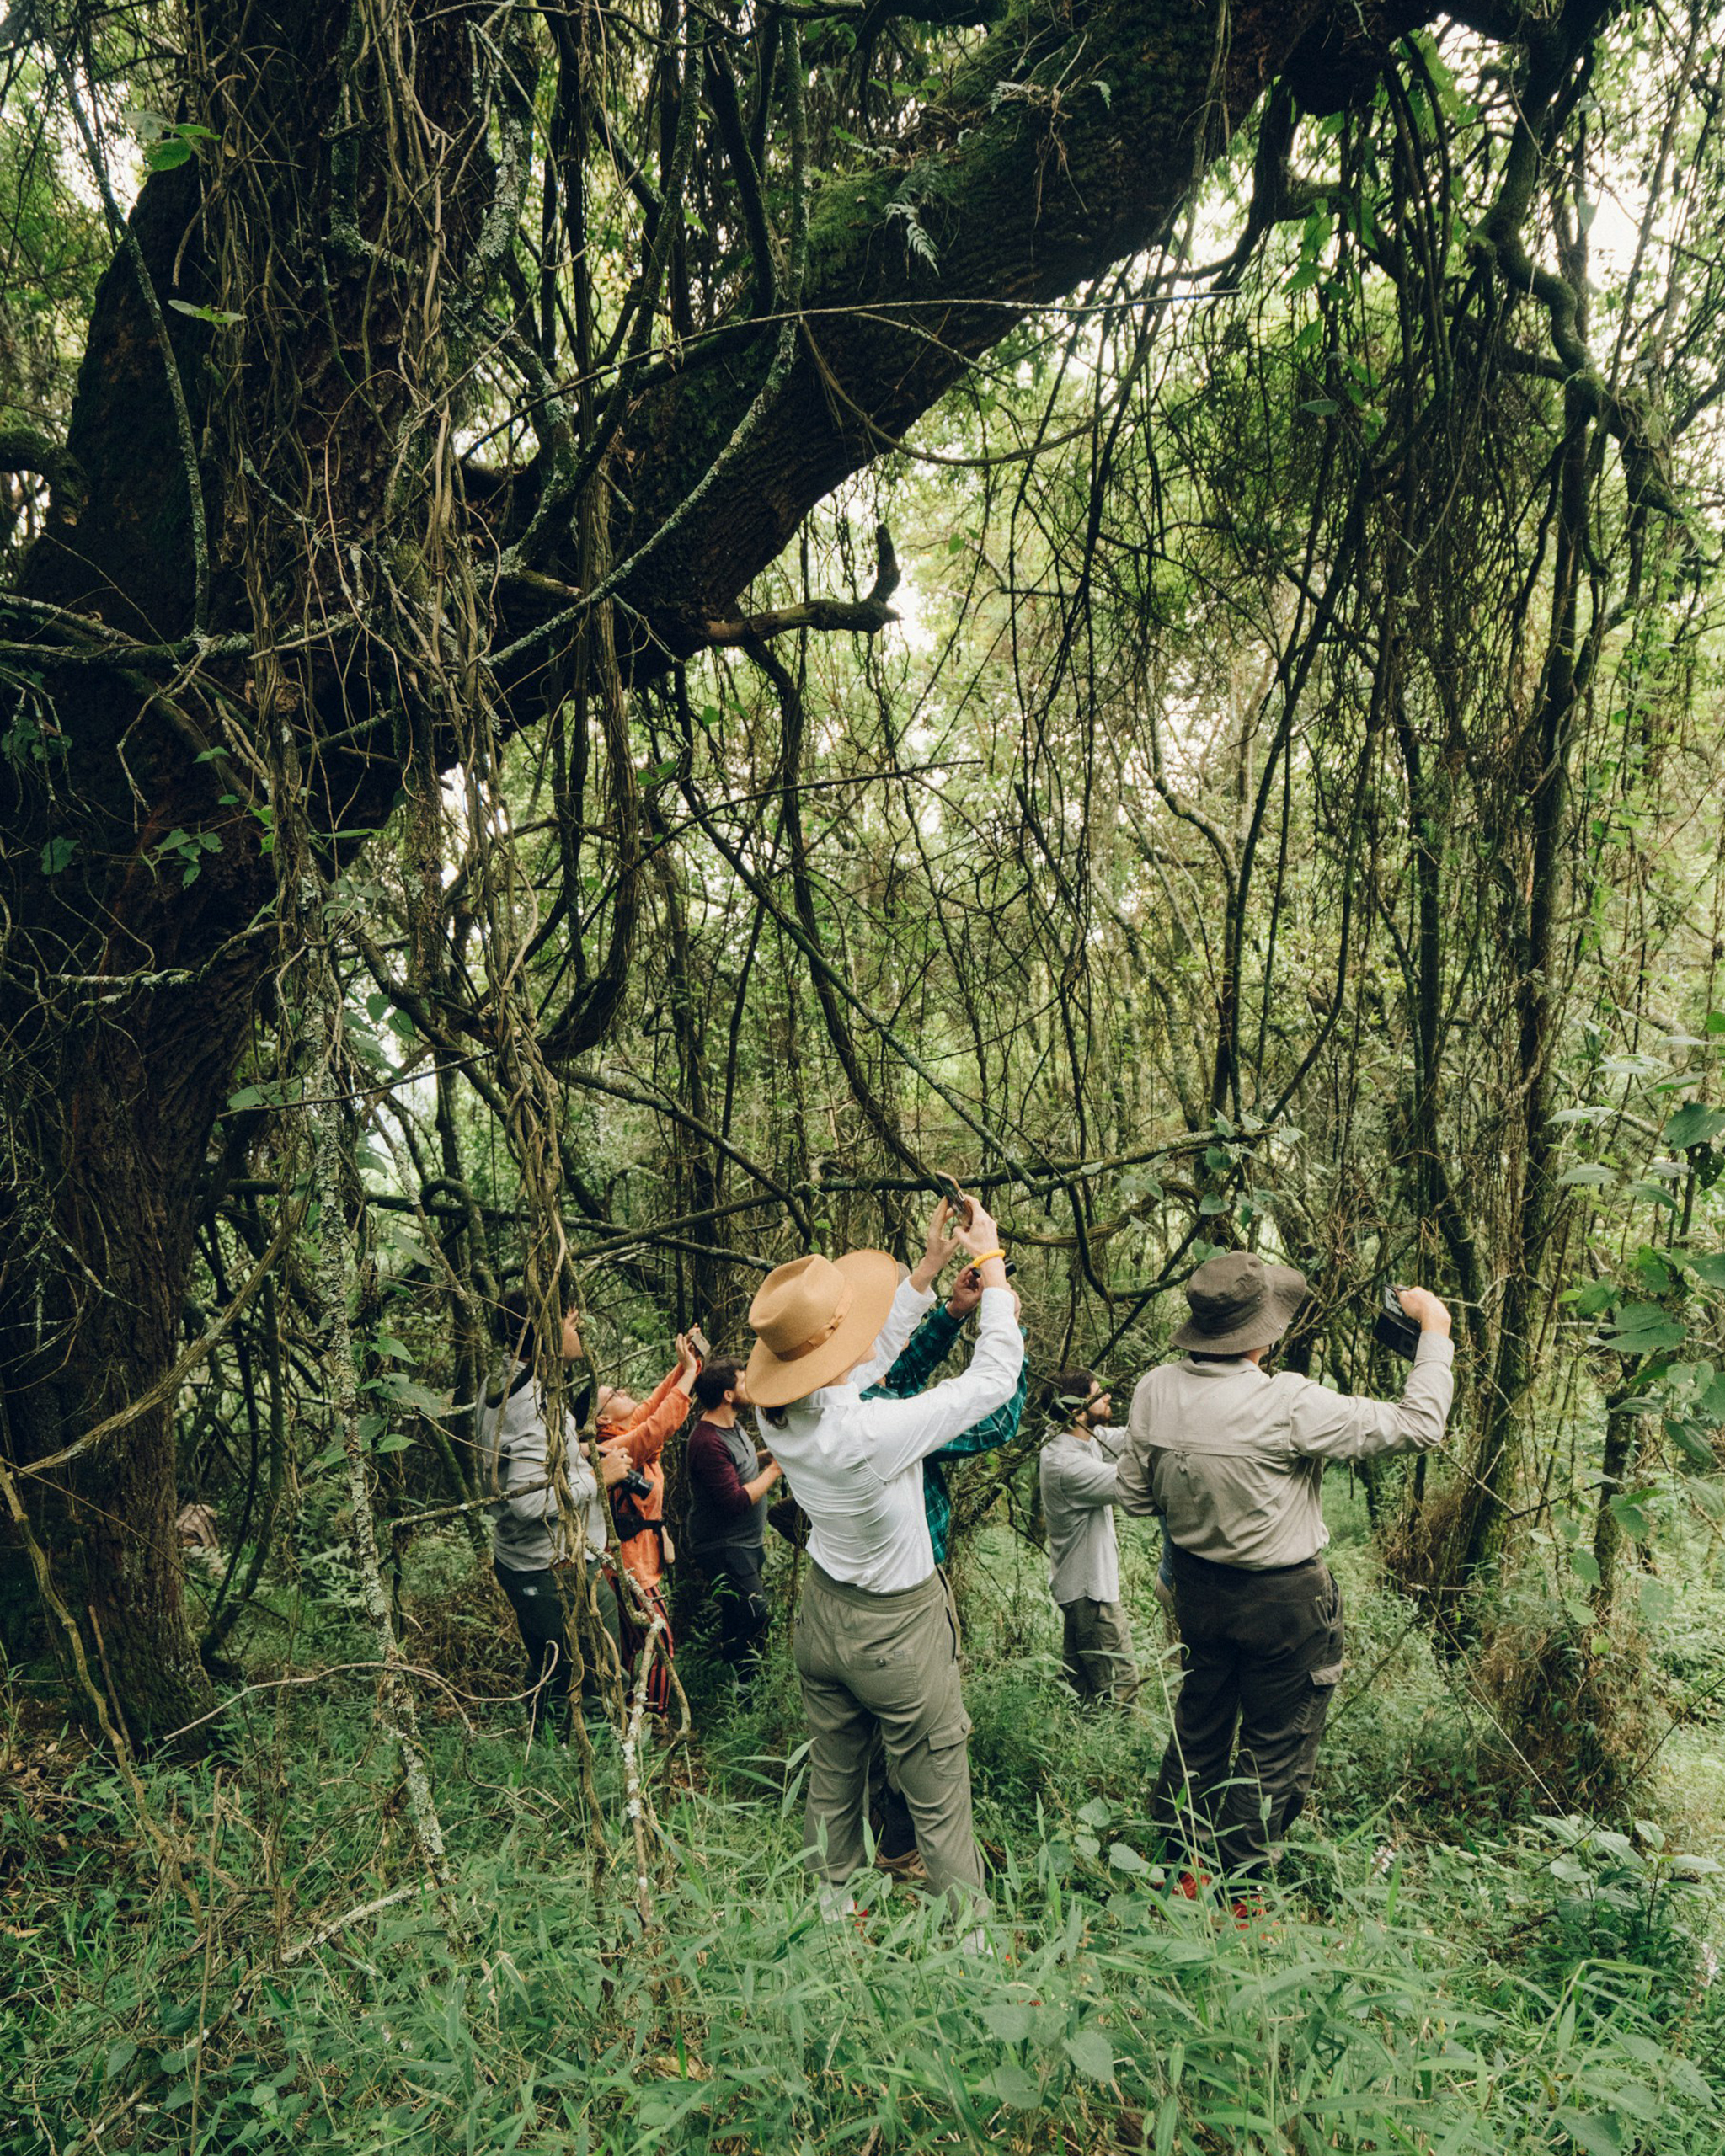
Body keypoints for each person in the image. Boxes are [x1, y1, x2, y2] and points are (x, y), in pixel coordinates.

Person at [1114, 1251, 1455, 1883]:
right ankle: (1239, 1893)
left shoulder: (1155, 1388)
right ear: (1263, 1334)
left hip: (1198, 1591)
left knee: (1200, 1729)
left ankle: (1180, 1870)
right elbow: (1420, 1424)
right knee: (1273, 1749)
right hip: (1285, 1605)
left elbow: (1134, 1497)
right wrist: (1434, 1330)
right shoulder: (1288, 1401)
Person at [746, 1195, 1020, 1925]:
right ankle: (969, 1943)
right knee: (940, 1792)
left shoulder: (781, 1415)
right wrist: (993, 1269)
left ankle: (831, 1916)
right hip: (897, 1632)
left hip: (823, 1617)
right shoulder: (869, 1433)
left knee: (834, 1779)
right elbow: (991, 1384)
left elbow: (862, 1362)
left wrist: (929, 1273)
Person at [478, 1289, 630, 1739]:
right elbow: (525, 1500)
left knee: (553, 1670)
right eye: (570, 1322)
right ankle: (605, 1767)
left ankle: (544, 1753)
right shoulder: (531, 1404)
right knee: (599, 1675)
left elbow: (523, 1460)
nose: (579, 1328)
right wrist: (598, 1477)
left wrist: (576, 1453)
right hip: (555, 1568)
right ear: (544, 1332)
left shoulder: (503, 1381)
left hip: (525, 1561)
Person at [596, 1334, 702, 1711]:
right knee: (657, 1644)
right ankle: (653, 1723)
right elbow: (659, 1426)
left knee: (638, 1646)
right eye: (614, 1394)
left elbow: (656, 1405)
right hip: (628, 1569)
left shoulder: (623, 1434)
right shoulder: (610, 1449)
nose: (625, 1392)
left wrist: (687, 1361)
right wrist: (689, 1373)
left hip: (641, 1563)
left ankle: (631, 1717)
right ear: (603, 1419)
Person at [1039, 1369, 1140, 1705]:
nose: (1108, 1396)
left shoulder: (1082, 1439)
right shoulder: (1066, 1463)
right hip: (1091, 1597)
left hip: (1081, 1591)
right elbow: (1131, 1485)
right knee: (1121, 1691)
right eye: (1099, 1394)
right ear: (1078, 1411)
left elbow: (1127, 1438)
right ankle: (1121, 1739)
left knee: (1082, 1696)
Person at [684, 1359, 782, 1685]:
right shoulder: (706, 1442)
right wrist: (774, 1471)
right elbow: (734, 1500)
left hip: (744, 1544)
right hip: (724, 1547)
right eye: (743, 1382)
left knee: (740, 1617)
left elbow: (738, 1467)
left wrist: (764, 1458)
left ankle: (736, 1684)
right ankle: (749, 1689)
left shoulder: (732, 1427)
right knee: (756, 1615)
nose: (749, 1386)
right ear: (727, 1395)